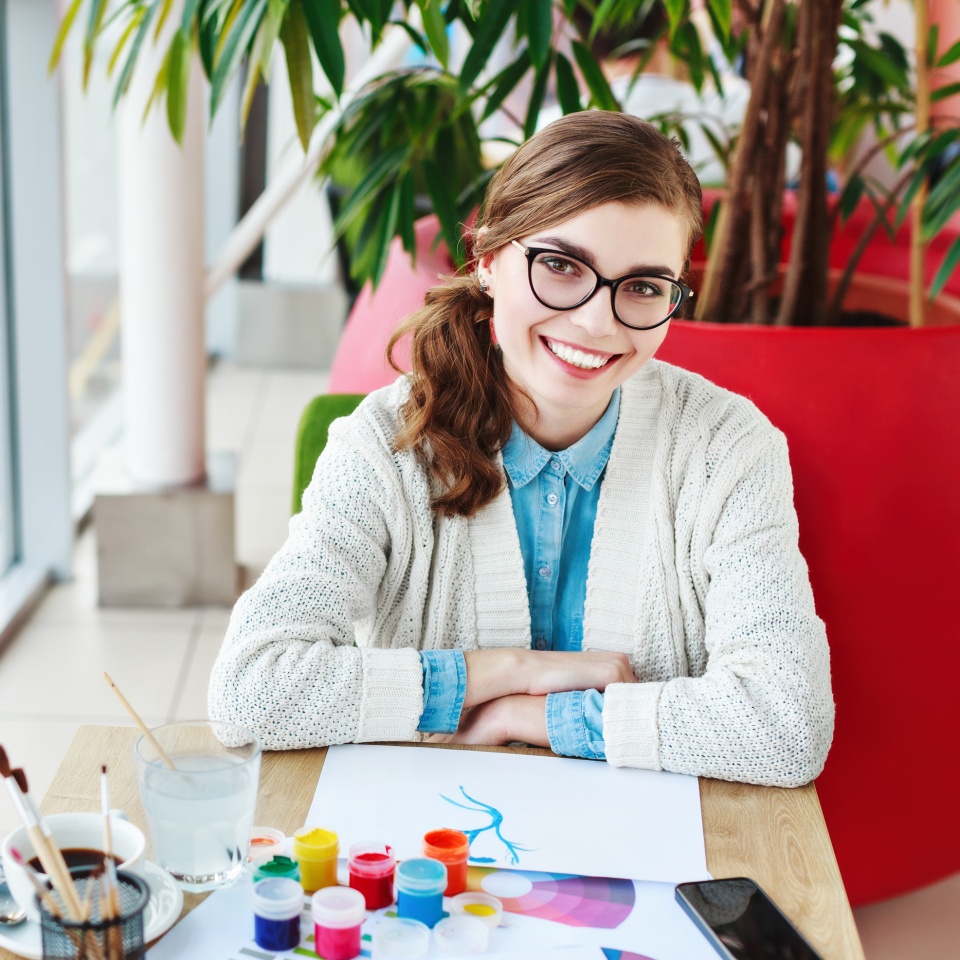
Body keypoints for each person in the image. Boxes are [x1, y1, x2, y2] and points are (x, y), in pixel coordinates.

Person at [209, 111, 833, 788]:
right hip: (429, 848)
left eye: (645, 286)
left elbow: (787, 727)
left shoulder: (728, 448)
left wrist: (526, 719)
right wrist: (510, 671)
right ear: (486, 260)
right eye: (561, 266)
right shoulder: (382, 444)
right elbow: (250, 688)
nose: (598, 322)